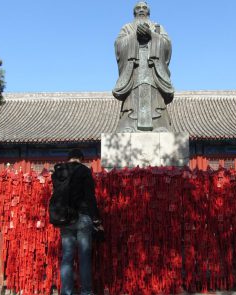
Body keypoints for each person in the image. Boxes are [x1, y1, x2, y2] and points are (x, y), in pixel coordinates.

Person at [112, 1, 175, 133]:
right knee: (132, 98)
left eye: (144, 7)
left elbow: (167, 45)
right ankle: (129, 125)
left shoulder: (157, 27)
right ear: (134, 12)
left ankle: (158, 124)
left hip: (152, 68)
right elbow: (118, 45)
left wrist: (152, 35)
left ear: (148, 11)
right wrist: (134, 36)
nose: (141, 10)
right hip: (134, 68)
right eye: (138, 8)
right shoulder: (127, 27)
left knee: (155, 96)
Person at [59, 148, 103, 295]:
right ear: (81, 159)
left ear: (69, 158)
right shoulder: (84, 171)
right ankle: (86, 292)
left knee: (67, 257)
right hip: (83, 217)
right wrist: (96, 218)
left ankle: (66, 292)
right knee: (84, 257)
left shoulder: (59, 171)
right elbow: (90, 197)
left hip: (64, 218)